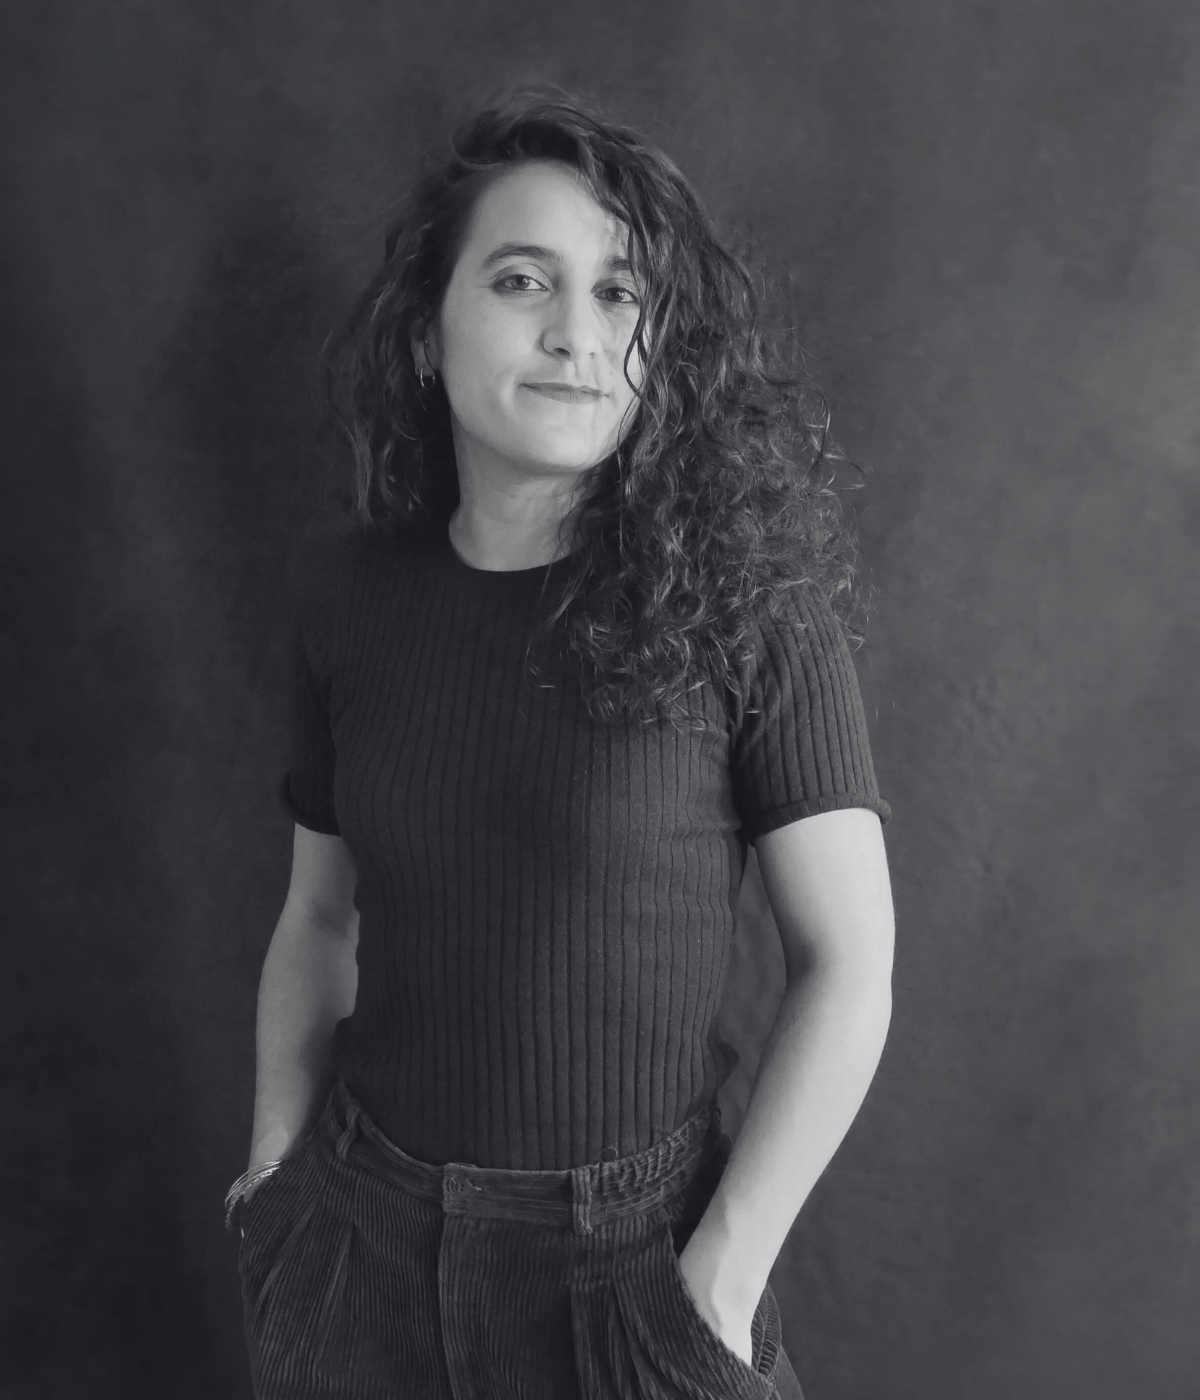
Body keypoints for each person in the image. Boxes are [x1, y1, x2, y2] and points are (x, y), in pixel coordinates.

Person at [225, 90, 895, 1400]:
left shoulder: (749, 610)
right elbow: (316, 919)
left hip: (638, 1277)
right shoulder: (348, 603)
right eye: (523, 280)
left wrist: (720, 1280)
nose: (578, 334)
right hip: (359, 1255)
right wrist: (272, 1182)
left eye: (621, 292)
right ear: (427, 331)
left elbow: (851, 966)